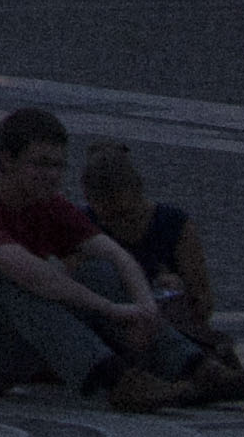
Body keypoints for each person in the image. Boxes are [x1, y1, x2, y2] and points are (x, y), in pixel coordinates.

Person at [0, 104, 242, 407]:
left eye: (58, 165)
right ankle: (117, 380)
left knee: (99, 271)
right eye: (40, 164)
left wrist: (145, 308)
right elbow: (35, 278)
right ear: (7, 160)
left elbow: (118, 257)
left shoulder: (47, 205)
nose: (51, 175)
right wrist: (110, 309)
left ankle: (195, 367)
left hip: (1, 354)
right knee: (13, 284)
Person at [78, 143, 235, 371]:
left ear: (139, 191)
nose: (119, 224)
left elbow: (203, 302)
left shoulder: (173, 225)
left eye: (126, 214)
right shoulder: (83, 224)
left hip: (168, 324)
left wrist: (178, 290)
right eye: (107, 218)